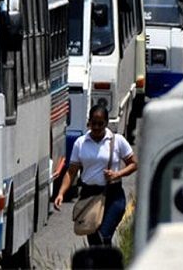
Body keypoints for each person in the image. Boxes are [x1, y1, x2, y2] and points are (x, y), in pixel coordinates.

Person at [54, 105, 138, 247]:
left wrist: (117, 174)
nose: (97, 127)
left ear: (106, 123)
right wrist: (61, 193)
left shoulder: (117, 141)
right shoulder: (80, 143)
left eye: (101, 124)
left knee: (103, 236)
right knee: (94, 242)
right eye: (94, 123)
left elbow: (134, 164)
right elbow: (71, 172)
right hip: (89, 196)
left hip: (113, 195)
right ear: (89, 123)